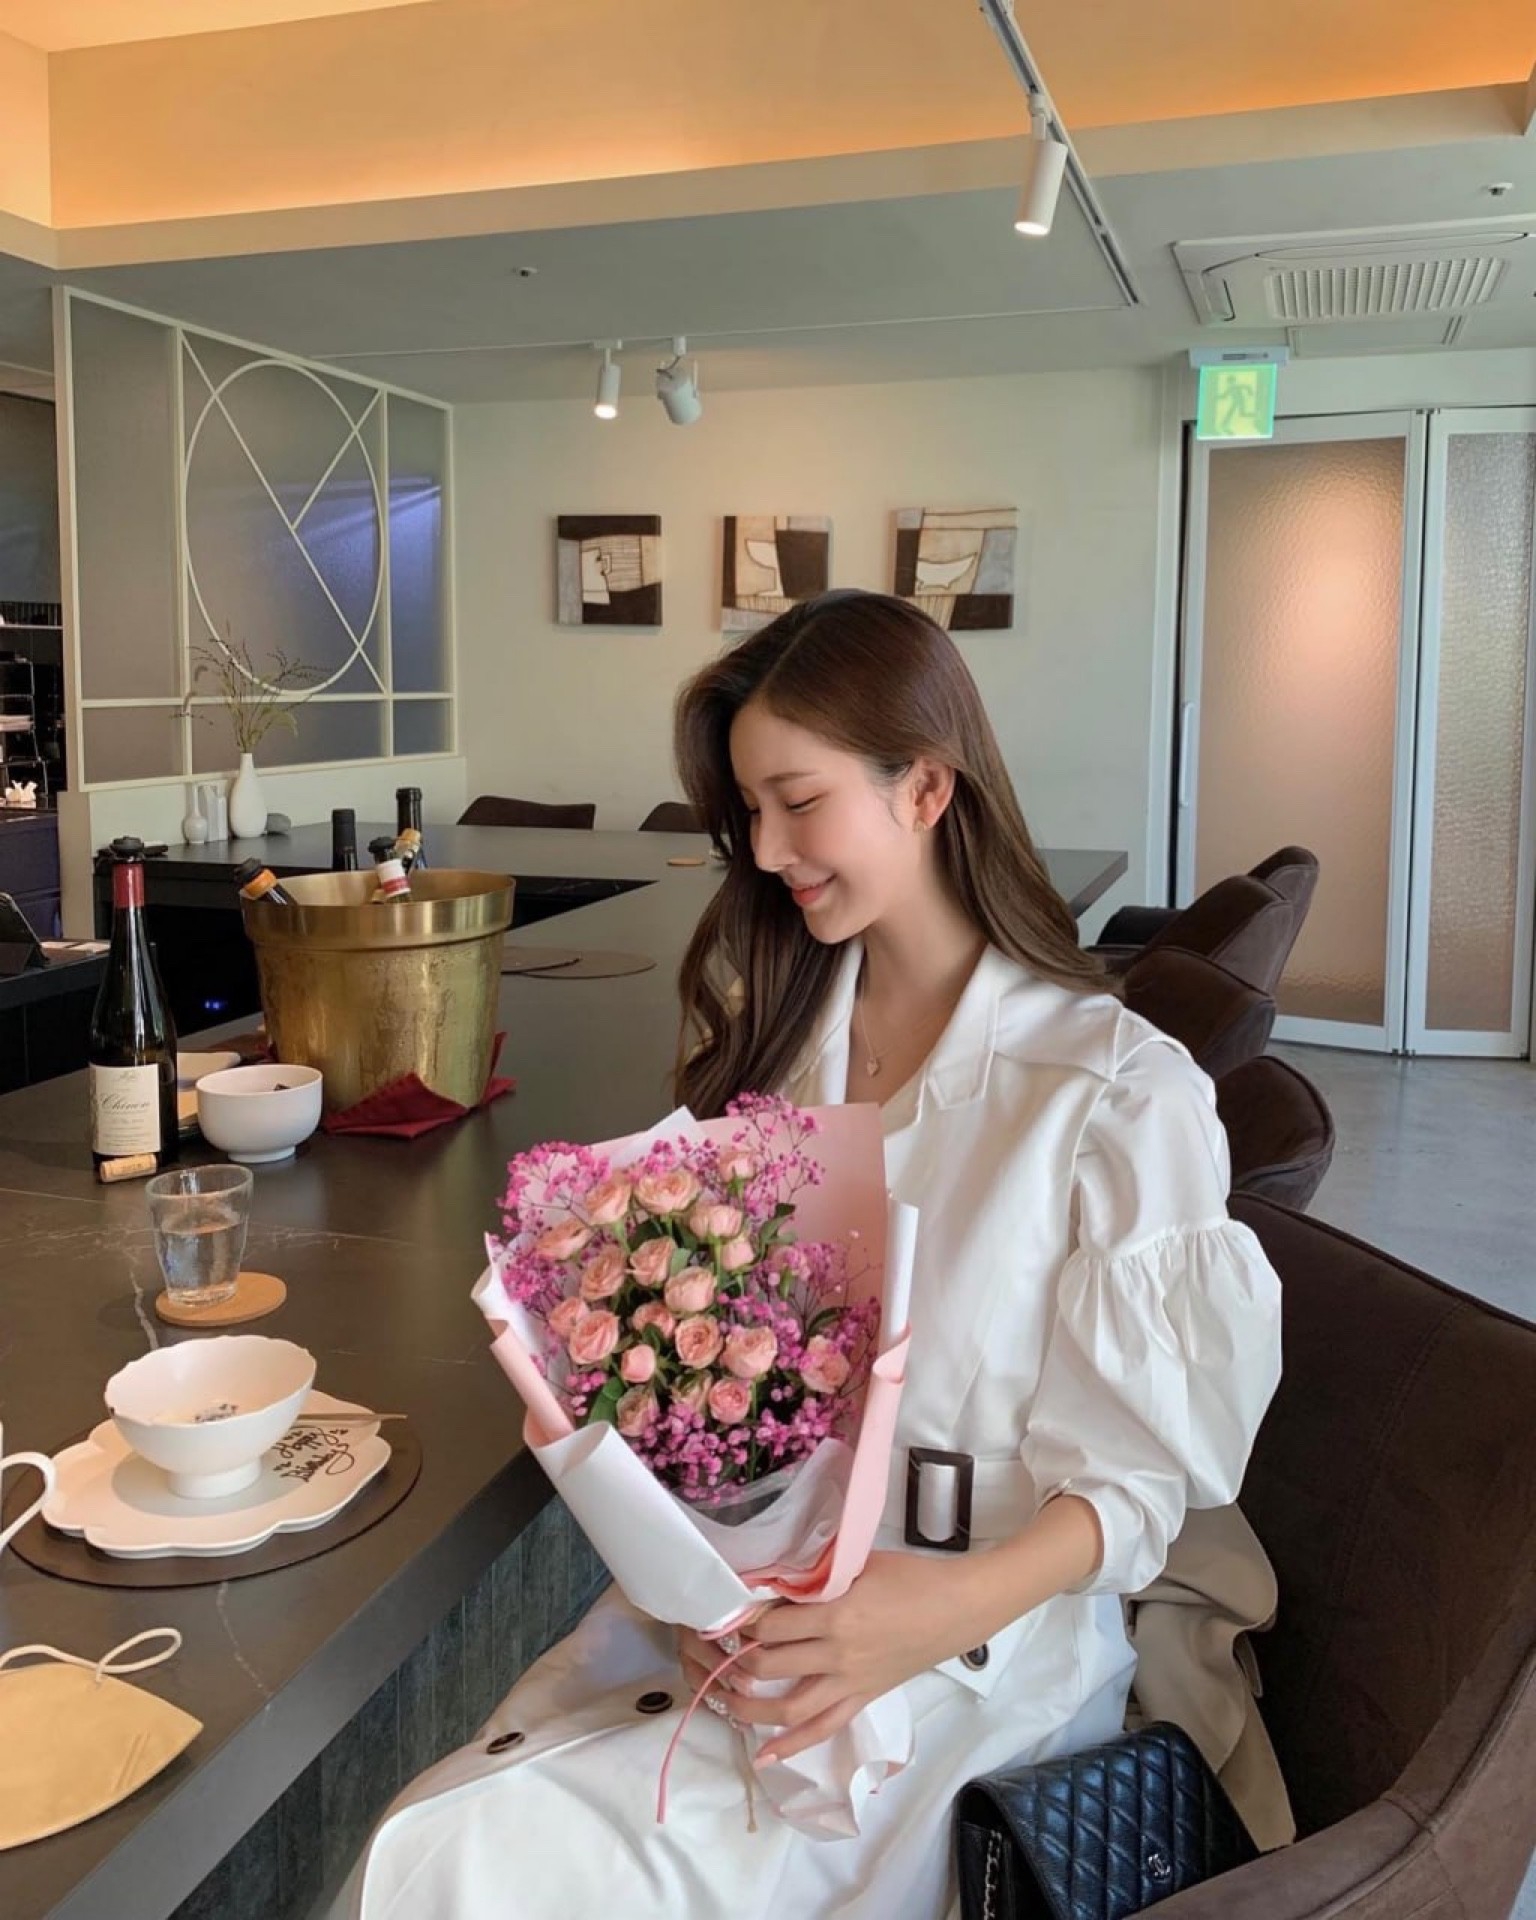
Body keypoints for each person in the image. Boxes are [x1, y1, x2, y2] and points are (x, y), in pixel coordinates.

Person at [332, 590, 1284, 1919]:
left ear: (925, 790)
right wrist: (697, 1580)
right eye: (749, 813)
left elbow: (1135, 1491)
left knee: (483, 1871)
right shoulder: (777, 1042)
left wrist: (915, 1620)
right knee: (445, 1844)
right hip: (746, 1643)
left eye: (799, 801)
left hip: (978, 1667)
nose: (769, 850)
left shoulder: (1114, 1095)